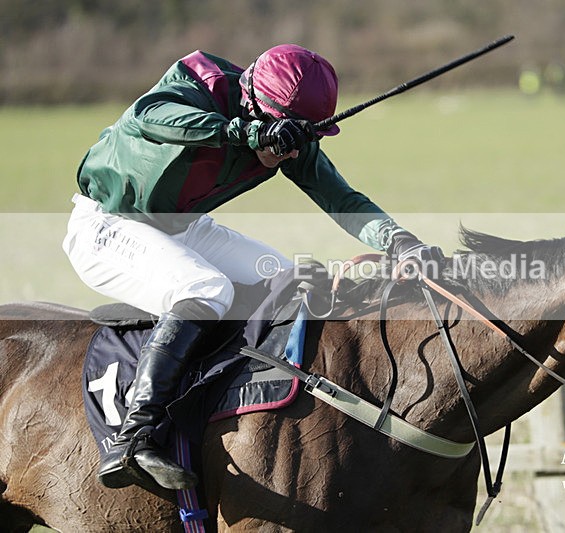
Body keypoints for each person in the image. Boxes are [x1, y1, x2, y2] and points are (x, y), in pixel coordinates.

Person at [63, 44, 443, 491]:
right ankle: (135, 437)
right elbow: (150, 117)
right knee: (206, 289)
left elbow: (343, 199)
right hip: (107, 224)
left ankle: (250, 420)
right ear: (254, 104)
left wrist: (400, 242)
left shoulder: (289, 134)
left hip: (182, 227)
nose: (287, 153)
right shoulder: (195, 85)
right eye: (282, 135)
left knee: (288, 281)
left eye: (300, 139)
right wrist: (247, 135)